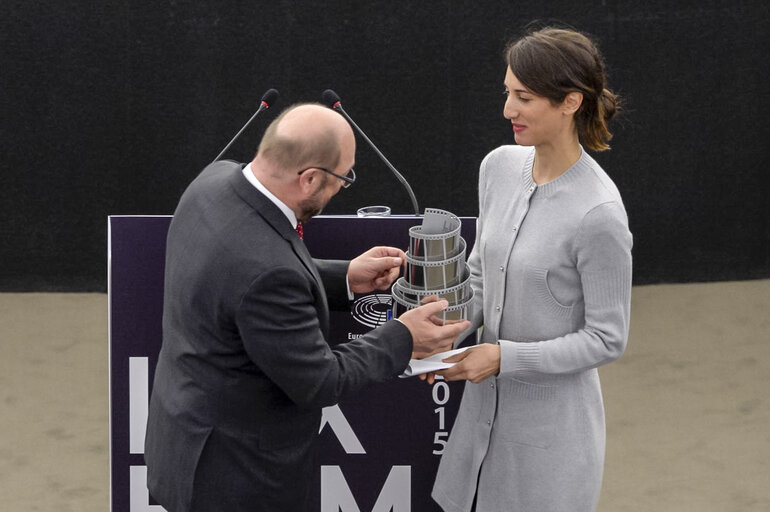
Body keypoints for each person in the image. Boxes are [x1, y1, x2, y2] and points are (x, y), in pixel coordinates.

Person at [144, 103, 469, 511]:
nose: (340, 190)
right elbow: (321, 380)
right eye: (343, 179)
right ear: (311, 177)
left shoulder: (213, 182)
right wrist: (404, 336)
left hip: (183, 444)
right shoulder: (265, 272)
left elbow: (242, 274)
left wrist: (346, 276)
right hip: (236, 480)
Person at [429, 27, 633, 511]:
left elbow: (607, 338)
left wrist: (503, 358)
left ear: (569, 102)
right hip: (479, 425)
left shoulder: (600, 214)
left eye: (523, 97)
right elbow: (479, 274)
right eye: (507, 93)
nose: (507, 110)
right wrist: (443, 338)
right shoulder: (497, 167)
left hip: (551, 444)